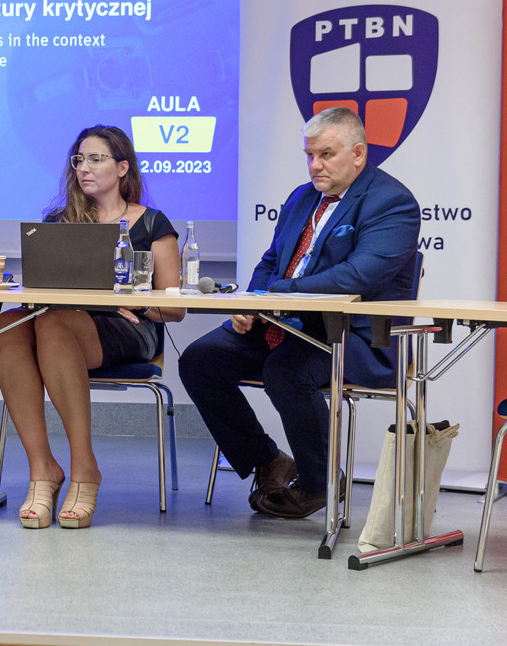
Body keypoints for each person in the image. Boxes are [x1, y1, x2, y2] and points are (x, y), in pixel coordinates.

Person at [177, 107, 419, 519]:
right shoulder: (301, 198)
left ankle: (319, 482)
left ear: (358, 154)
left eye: (326, 155)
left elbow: (359, 276)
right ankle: (268, 460)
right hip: (284, 325)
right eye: (309, 155)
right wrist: (252, 303)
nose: (314, 166)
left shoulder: (392, 203)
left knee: (287, 371)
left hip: (352, 337)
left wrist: (277, 293)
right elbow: (272, 262)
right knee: (200, 360)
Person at [0, 125, 185, 530]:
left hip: (128, 328)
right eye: (79, 160)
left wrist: (132, 299)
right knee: (8, 323)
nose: (84, 168)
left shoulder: (152, 224)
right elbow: (44, 288)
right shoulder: (58, 222)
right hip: (62, 321)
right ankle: (43, 468)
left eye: (96, 159)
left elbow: (174, 308)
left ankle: (84, 468)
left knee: (53, 324)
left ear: (122, 168)